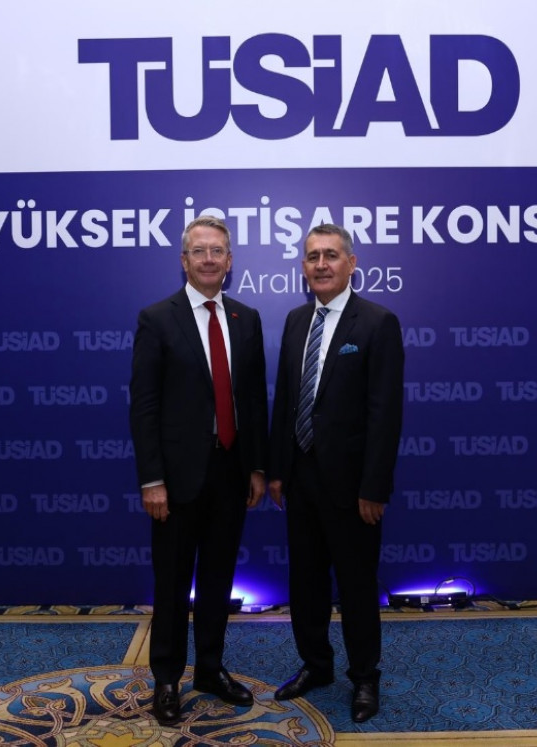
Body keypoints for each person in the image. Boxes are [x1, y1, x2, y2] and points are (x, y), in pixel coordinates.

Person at [129, 215, 268, 726]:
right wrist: (152, 480)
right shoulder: (156, 319)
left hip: (231, 472)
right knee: (171, 583)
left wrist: (257, 466)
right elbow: (144, 406)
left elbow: (253, 400)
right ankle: (167, 678)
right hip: (176, 478)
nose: (209, 259)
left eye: (217, 251)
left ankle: (210, 668)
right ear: (184, 260)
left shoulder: (246, 318)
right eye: (199, 251)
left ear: (229, 261)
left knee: (218, 577)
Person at [268, 223, 404, 723]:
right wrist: (278, 470)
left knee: (356, 584)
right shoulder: (295, 320)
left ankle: (365, 676)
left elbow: (385, 413)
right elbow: (286, 400)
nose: (321, 264)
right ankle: (316, 665)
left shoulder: (377, 322)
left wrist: (374, 486)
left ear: (351, 264)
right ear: (303, 267)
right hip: (300, 478)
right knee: (305, 582)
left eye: (330, 255)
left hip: (352, 487)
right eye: (312, 257)